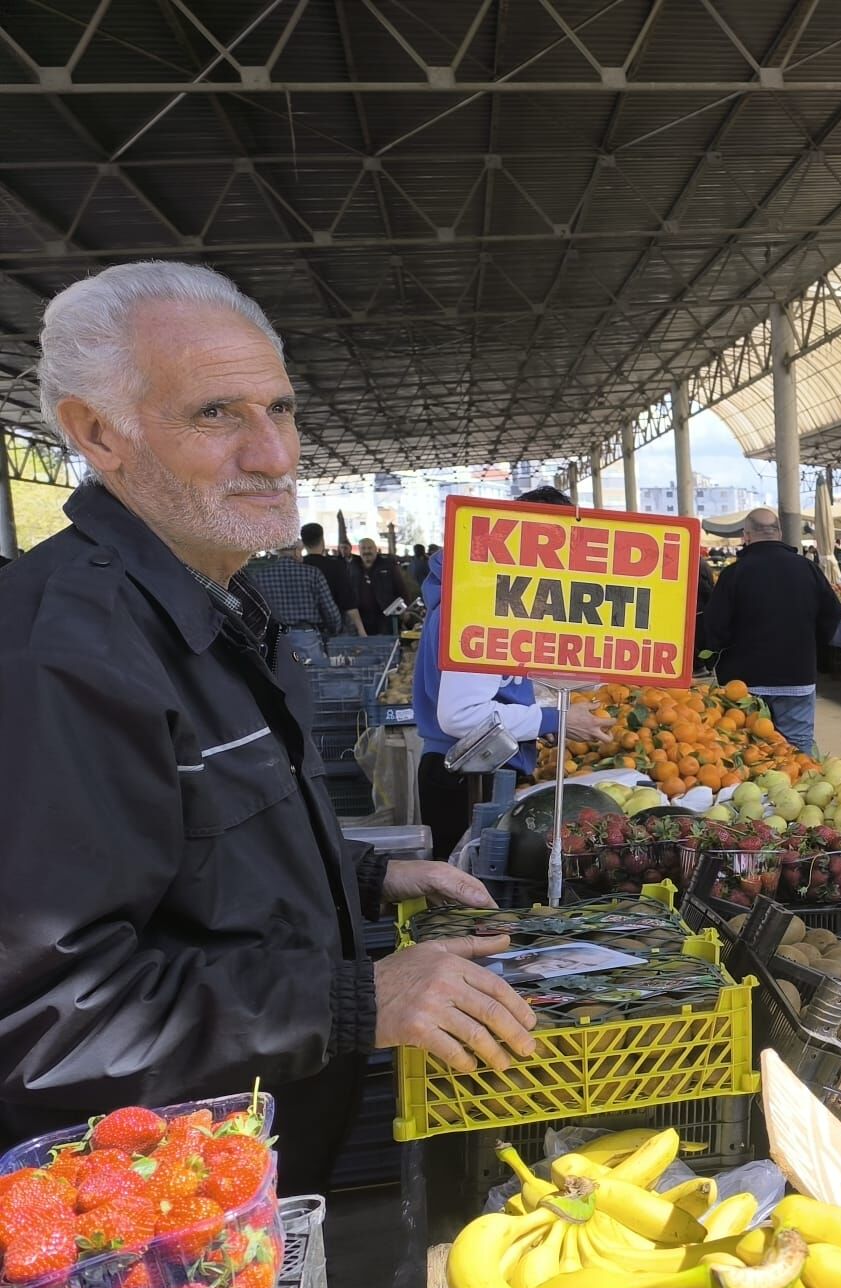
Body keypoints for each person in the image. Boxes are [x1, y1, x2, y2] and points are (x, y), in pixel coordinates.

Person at [0, 261, 542, 1193]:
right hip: (164, 1231)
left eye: (281, 410)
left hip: (258, 1155)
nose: (276, 455)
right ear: (98, 433)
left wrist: (363, 875)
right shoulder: (62, 656)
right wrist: (353, 999)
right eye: (217, 414)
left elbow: (194, 852)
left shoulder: (205, 601)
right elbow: (45, 1014)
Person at [413, 485, 612, 859]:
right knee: (468, 904)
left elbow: (490, 689)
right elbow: (461, 716)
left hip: (477, 769)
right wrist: (556, 719)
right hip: (468, 777)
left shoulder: (488, 595)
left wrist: (541, 721)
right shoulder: (476, 606)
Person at [697, 507, 841, 755]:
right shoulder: (807, 569)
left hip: (745, 682)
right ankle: (798, 790)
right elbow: (833, 612)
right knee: (797, 747)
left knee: (748, 748)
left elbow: (715, 625)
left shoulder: (735, 574)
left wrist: (710, 656)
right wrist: (811, 647)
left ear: (747, 535)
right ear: (779, 532)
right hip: (797, 676)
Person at [241, 539, 344, 663]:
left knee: (281, 678)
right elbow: (330, 610)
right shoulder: (313, 573)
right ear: (296, 552)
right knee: (312, 679)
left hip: (275, 640)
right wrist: (334, 629)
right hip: (306, 638)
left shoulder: (260, 576)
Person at [301, 521, 365, 636]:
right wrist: (361, 630)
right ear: (322, 541)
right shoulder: (336, 566)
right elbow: (349, 603)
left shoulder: (300, 567)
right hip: (333, 631)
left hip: (306, 632)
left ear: (303, 543)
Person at [356, 536, 404, 635]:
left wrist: (405, 610)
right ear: (359, 550)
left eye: (370, 548)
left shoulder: (388, 565)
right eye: (363, 548)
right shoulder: (353, 568)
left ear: (376, 549)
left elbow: (401, 588)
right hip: (362, 618)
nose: (367, 551)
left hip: (387, 617)